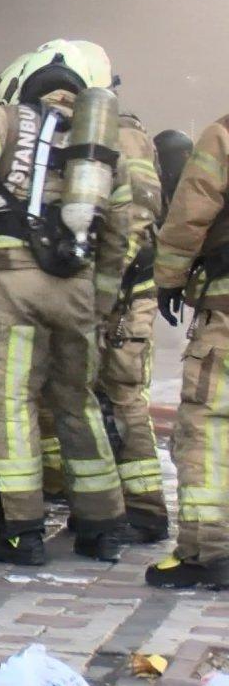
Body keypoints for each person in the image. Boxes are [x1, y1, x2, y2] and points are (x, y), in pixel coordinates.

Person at [0, 39, 132, 565]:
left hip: (13, 287)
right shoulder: (100, 144)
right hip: (77, 291)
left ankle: (19, 532)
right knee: (78, 403)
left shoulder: (3, 122)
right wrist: (101, 300)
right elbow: (121, 231)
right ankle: (102, 527)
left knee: (12, 405)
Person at [37, 40, 169, 543]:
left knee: (122, 393)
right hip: (95, 290)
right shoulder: (90, 132)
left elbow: (137, 212)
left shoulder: (124, 135)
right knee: (86, 394)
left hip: (121, 293)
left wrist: (109, 287)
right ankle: (102, 507)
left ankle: (144, 511)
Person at [146, 116, 229, 588]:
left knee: (208, 428)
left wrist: (170, 278)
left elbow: (191, 211)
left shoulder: (224, 134)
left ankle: (209, 553)